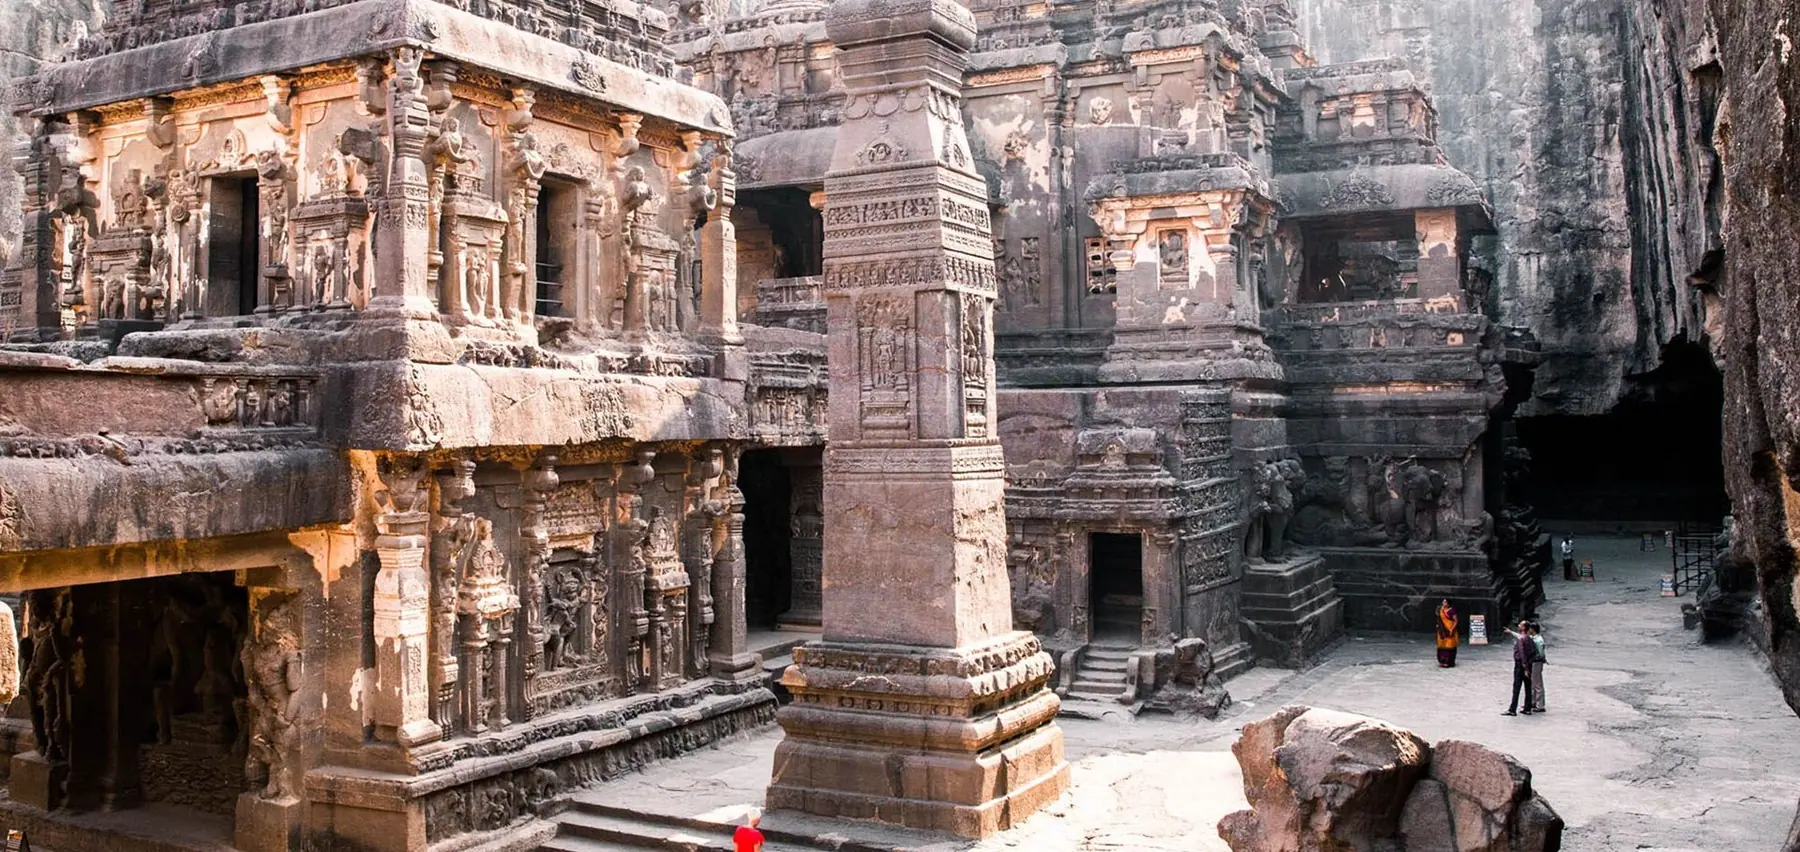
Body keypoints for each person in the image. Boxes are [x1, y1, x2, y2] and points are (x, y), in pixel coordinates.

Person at [1503, 619, 1534, 716]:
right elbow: (1533, 652)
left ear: (1524, 627)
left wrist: (1524, 666)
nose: (1519, 625)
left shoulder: (1521, 640)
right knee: (1528, 686)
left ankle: (1512, 709)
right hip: (1529, 664)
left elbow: (1521, 653)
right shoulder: (1529, 638)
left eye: (1520, 625)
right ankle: (1527, 708)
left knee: (1516, 687)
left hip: (1520, 664)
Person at [1528, 621, 1547, 712]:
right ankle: (1534, 701)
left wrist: (1541, 658)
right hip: (1535, 662)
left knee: (1537, 683)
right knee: (1534, 683)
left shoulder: (1538, 640)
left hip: (1536, 662)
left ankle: (1540, 705)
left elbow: (1540, 653)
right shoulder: (1535, 638)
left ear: (1533, 629)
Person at [1435, 600, 1459, 667]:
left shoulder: (1452, 611)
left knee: (1449, 646)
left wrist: (1452, 629)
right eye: (1443, 602)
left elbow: (1456, 621)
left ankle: (1449, 662)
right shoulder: (1440, 609)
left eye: (1445, 602)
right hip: (1441, 631)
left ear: (1449, 603)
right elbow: (1438, 618)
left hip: (1449, 630)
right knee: (1441, 646)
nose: (1443, 603)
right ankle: (1441, 661)